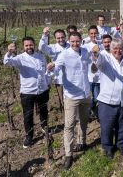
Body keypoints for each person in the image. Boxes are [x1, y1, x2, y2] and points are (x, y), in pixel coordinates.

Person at [47, 32, 93, 170]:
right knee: (69, 125)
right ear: (69, 41)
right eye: (72, 41)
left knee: (84, 121)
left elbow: (96, 60)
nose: (75, 44)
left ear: (81, 41)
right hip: (71, 96)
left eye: (77, 41)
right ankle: (68, 155)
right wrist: (52, 67)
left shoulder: (85, 51)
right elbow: (56, 67)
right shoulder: (64, 55)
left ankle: (82, 142)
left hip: (86, 94)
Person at [4, 37, 50, 148]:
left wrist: (48, 83)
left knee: (44, 110)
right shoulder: (19, 58)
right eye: (26, 45)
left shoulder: (41, 56)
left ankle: (45, 126)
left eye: (31, 45)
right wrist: (9, 52)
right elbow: (7, 62)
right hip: (27, 92)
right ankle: (29, 136)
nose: (29, 47)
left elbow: (45, 71)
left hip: (42, 89)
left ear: (34, 45)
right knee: (28, 115)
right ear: (23, 47)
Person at [92, 38, 123, 159]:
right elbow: (97, 62)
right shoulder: (106, 59)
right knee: (107, 126)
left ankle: (120, 145)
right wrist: (95, 53)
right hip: (107, 101)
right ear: (111, 49)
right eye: (115, 48)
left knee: (122, 125)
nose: (118, 51)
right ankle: (108, 147)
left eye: (120, 48)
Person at [38, 28, 69, 110]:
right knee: (63, 101)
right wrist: (44, 35)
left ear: (65, 36)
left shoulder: (71, 45)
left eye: (62, 37)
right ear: (55, 38)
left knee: (73, 100)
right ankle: (67, 118)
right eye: (58, 38)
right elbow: (41, 48)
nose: (61, 39)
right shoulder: (52, 48)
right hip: (60, 79)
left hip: (72, 78)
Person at [82, 25, 102, 119]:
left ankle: (93, 110)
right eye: (91, 33)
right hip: (90, 76)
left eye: (95, 33)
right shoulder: (85, 46)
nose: (93, 35)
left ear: (97, 33)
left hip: (100, 77)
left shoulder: (102, 44)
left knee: (97, 97)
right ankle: (90, 112)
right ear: (89, 34)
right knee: (91, 97)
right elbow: (83, 58)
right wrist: (92, 51)